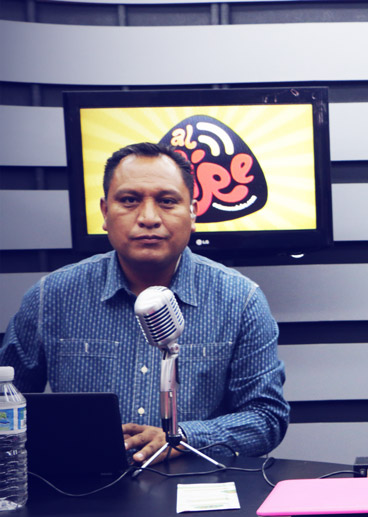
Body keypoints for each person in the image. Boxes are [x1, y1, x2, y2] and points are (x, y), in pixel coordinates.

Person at [0, 142, 289, 465]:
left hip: (194, 484)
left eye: (167, 201)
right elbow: (5, 405)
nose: (148, 218)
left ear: (193, 212)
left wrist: (182, 438)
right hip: (82, 486)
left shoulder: (241, 300)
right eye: (129, 200)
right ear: (105, 212)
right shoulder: (50, 297)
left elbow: (266, 418)